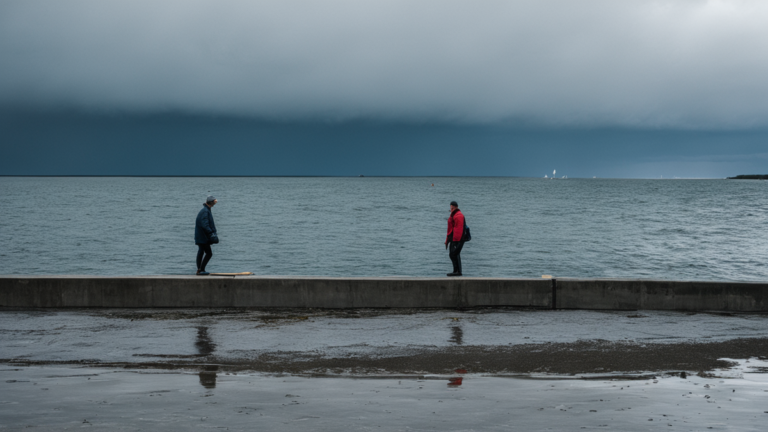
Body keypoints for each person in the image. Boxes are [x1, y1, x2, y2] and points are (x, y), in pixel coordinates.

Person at [195, 195, 218, 275]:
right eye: (214, 202)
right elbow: (205, 225)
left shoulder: (206, 210)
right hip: (203, 237)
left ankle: (200, 269)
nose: (215, 203)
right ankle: (201, 270)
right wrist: (211, 233)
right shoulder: (205, 211)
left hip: (201, 236)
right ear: (211, 202)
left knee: (201, 252)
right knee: (208, 253)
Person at [445, 201, 465, 276]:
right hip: (453, 238)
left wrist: (456, 241)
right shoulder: (454, 215)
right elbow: (451, 229)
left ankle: (457, 271)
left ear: (456, 207)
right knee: (453, 254)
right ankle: (456, 271)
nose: (451, 209)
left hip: (457, 239)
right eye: (450, 208)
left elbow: (459, 229)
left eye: (452, 208)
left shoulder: (458, 215)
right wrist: (447, 240)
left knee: (454, 254)